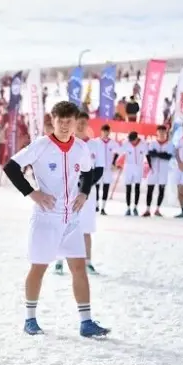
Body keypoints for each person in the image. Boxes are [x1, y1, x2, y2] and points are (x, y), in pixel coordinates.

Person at [2, 100, 110, 338]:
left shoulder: (80, 147)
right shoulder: (41, 145)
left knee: (79, 268)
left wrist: (84, 192)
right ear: (52, 120)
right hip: (46, 219)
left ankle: (86, 322)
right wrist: (32, 192)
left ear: (74, 123)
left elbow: (88, 171)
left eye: (68, 122)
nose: (63, 126)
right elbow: (10, 167)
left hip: (71, 220)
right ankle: (30, 319)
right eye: (59, 121)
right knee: (39, 268)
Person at [54, 112, 104, 275]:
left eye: (84, 123)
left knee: (86, 227)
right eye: (78, 123)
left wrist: (85, 187)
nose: (81, 126)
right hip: (69, 190)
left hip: (88, 192)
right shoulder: (67, 143)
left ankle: (87, 261)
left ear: (88, 124)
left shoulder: (96, 145)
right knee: (65, 225)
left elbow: (99, 170)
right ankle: (59, 260)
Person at [143, 125, 174, 217]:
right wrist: (161, 154)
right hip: (153, 170)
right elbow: (150, 154)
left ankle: (157, 209)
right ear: (157, 133)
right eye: (159, 132)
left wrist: (156, 154)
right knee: (150, 190)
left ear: (166, 133)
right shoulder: (152, 143)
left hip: (164, 171)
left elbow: (168, 157)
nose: (161, 134)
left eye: (163, 132)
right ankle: (147, 209)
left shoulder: (169, 144)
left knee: (161, 191)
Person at [117, 131, 148, 216]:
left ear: (137, 138)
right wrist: (116, 163)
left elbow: (147, 155)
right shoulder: (126, 143)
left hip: (138, 167)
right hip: (129, 167)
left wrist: (150, 166)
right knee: (128, 188)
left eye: (133, 140)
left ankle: (135, 207)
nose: (131, 142)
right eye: (130, 140)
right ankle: (128, 208)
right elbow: (119, 152)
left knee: (137, 187)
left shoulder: (143, 144)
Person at [92, 124, 119, 215]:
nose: (106, 133)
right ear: (101, 131)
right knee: (96, 187)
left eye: (107, 132)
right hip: (98, 168)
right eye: (104, 131)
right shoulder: (95, 141)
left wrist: (114, 163)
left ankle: (103, 207)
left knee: (106, 187)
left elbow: (117, 152)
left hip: (108, 169)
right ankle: (96, 205)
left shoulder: (113, 143)